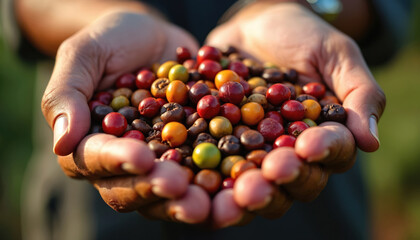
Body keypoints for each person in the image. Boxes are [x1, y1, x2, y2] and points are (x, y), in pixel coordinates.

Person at [2, 0, 409, 239]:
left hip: (308, 217)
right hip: (94, 219)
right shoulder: (160, 110)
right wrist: (107, 14)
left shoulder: (256, 109)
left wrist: (300, 4)